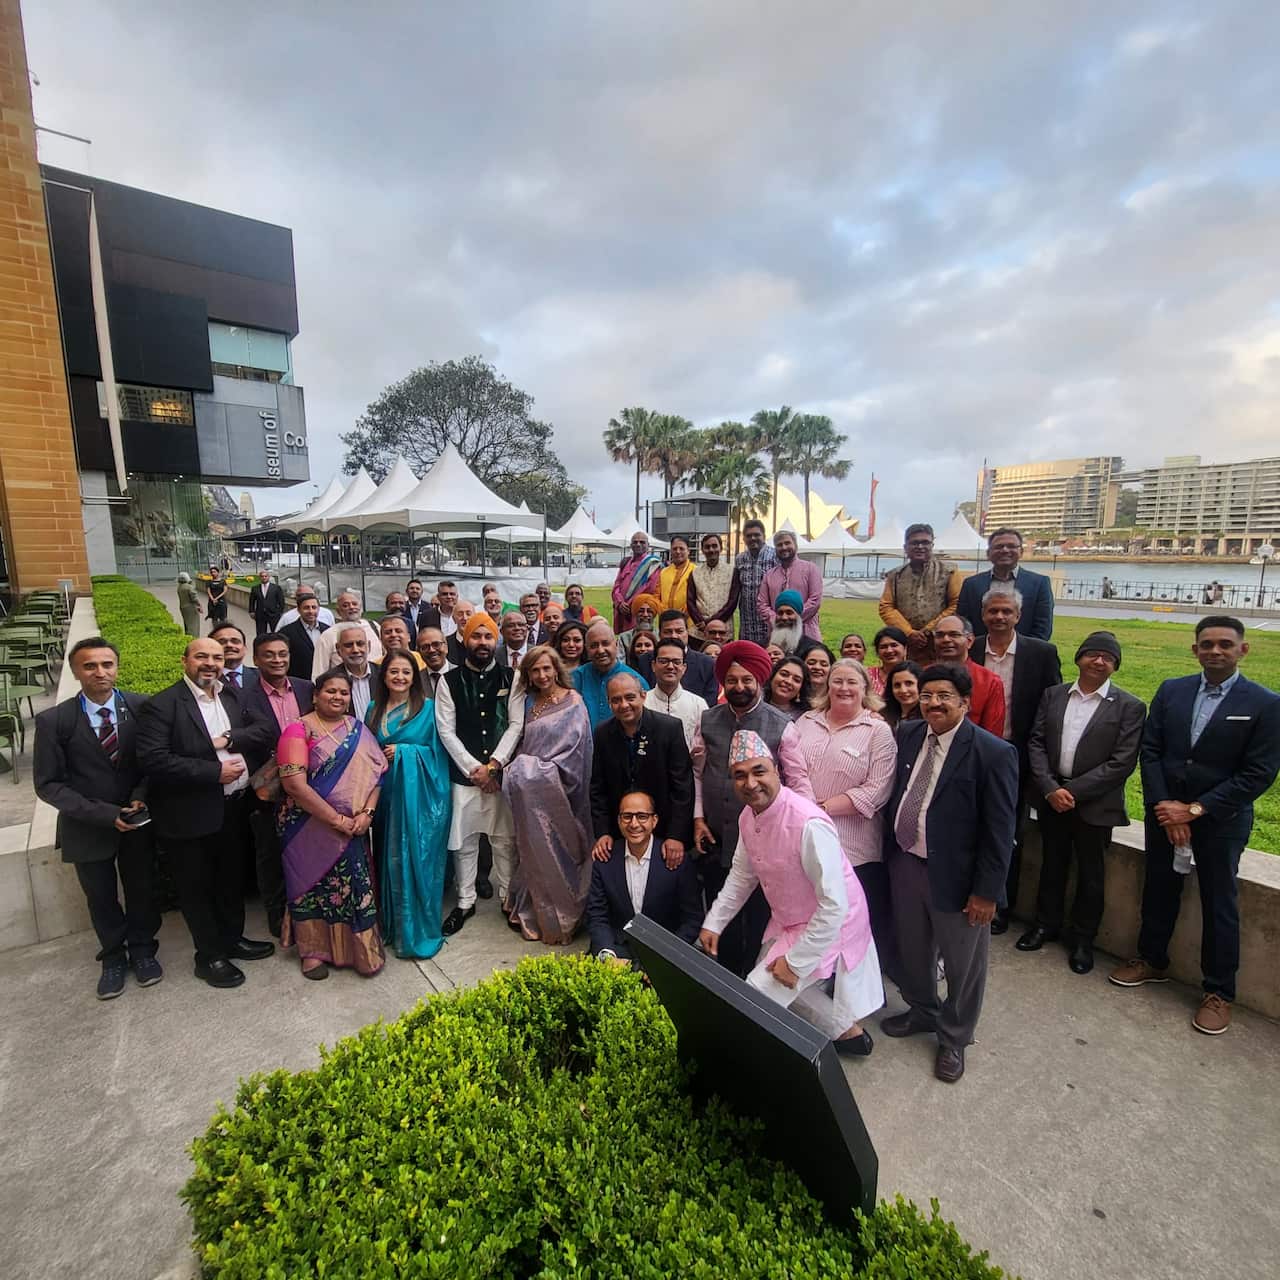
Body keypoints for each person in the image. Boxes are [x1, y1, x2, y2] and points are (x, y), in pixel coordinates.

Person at [1110, 616, 1280, 1035]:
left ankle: (1219, 991)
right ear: (1195, 650)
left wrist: (1196, 810)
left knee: (1219, 903)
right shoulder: (1173, 690)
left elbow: (1258, 773)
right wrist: (1165, 806)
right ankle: (1152, 960)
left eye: (1225, 644)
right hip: (1166, 813)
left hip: (1221, 821)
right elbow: (1151, 751)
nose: (1215, 651)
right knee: (1159, 888)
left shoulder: (1265, 703)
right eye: (1207, 644)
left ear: (1243, 650)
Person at [699, 733, 882, 1057]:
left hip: (834, 923)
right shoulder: (748, 816)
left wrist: (796, 963)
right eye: (740, 775)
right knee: (772, 974)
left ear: (776, 770)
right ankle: (846, 1032)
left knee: (756, 996)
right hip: (791, 919)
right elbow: (742, 875)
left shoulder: (807, 822)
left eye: (759, 771)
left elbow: (834, 906)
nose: (750, 783)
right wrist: (714, 922)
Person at [880, 664, 1019, 1082]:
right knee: (913, 950)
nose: (934, 703)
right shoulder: (908, 734)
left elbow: (1000, 830)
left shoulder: (993, 753)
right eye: (926, 695)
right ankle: (923, 1010)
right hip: (906, 863)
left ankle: (955, 1037)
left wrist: (987, 892)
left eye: (944, 696)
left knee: (963, 964)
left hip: (959, 880)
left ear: (965, 702)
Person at [135, 638, 278, 988]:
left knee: (230, 880)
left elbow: (265, 729)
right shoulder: (162, 705)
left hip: (234, 808)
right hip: (189, 813)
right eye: (202, 656)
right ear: (184, 660)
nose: (210, 663)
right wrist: (213, 772)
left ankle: (232, 939)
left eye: (217, 657)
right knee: (196, 887)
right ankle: (209, 956)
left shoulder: (232, 696)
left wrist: (229, 739)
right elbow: (154, 760)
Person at [34, 637, 159, 1000]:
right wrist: (105, 814)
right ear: (75, 671)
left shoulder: (142, 707)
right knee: (100, 896)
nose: (100, 672)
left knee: (142, 889)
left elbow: (153, 762)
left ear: (117, 668)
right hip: (87, 826)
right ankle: (113, 957)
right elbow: (49, 784)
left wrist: (140, 796)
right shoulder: (55, 721)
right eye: (90, 666)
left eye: (107, 664)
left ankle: (143, 950)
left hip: (137, 822)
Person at [1023, 632, 1145, 974]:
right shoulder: (1054, 694)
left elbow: (1122, 762)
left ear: (1115, 666)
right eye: (1092, 654)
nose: (1099, 661)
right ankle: (1045, 925)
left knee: (1091, 875)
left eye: (1108, 657)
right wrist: (1050, 788)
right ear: (1078, 658)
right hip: (1052, 798)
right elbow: (1036, 742)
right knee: (1052, 864)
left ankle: (1082, 940)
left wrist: (1073, 792)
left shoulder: (1129, 706)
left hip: (1094, 804)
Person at [691, 640, 814, 977]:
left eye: (747, 680)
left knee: (759, 917)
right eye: (732, 680)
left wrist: (804, 832)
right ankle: (726, 978)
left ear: (760, 680)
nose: (739, 687)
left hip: (767, 842)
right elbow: (698, 773)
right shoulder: (708, 719)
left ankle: (751, 981)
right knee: (722, 912)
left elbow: (800, 783)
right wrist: (699, 818)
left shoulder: (782, 725)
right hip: (716, 837)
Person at [275, 669, 386, 978]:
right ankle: (312, 952)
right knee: (310, 888)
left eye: (343, 692)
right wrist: (336, 820)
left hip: (353, 829)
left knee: (352, 887)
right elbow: (294, 785)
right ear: (315, 695)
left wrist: (367, 814)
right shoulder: (297, 730)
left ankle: (360, 952)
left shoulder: (357, 729)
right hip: (306, 828)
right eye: (330, 691)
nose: (337, 697)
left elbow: (378, 773)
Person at [795, 659, 899, 977]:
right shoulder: (806, 721)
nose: (843, 688)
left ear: (865, 688)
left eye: (852, 682)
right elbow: (788, 767)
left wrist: (821, 811)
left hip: (853, 848)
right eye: (837, 681)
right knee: (810, 919)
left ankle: (849, 991)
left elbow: (877, 790)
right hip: (803, 839)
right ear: (827, 686)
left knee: (848, 928)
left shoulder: (878, 731)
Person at [972, 587, 1063, 934]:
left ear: (1018, 616)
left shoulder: (1041, 653)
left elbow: (1052, 707)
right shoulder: (971, 647)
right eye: (993, 611)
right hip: (973, 753)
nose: (999, 617)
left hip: (1017, 756)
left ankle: (1000, 905)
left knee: (1008, 832)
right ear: (983, 615)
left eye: (1006, 611)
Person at [435, 612, 526, 934]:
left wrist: (494, 765)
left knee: (504, 840)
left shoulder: (512, 677)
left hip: (500, 776)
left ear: (495, 640)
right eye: (476, 636)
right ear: (465, 639)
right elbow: (446, 731)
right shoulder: (448, 681)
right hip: (465, 778)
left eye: (488, 637)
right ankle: (465, 901)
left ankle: (507, 899)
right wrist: (474, 769)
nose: (482, 642)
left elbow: (516, 724)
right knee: (465, 841)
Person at [503, 646, 594, 943]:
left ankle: (561, 916)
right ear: (528, 675)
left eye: (546, 668)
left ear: (557, 669)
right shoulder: (531, 704)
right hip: (531, 794)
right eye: (535, 670)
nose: (542, 675)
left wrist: (526, 769)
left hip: (559, 793)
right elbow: (526, 745)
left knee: (558, 852)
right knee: (533, 849)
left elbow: (574, 754)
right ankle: (535, 908)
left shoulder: (573, 702)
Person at [364, 651, 451, 959]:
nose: (399, 677)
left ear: (415, 677)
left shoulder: (428, 709)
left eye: (406, 672)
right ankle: (392, 925)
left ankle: (415, 930)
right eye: (394, 672)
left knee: (416, 859)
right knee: (388, 858)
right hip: (385, 798)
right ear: (384, 676)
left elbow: (438, 755)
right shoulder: (373, 709)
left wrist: (404, 752)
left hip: (418, 801)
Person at [243, 632, 314, 938]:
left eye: (282, 653)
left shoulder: (306, 688)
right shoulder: (244, 696)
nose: (277, 660)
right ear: (256, 659)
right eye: (269, 654)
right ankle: (277, 917)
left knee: (306, 850)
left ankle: (308, 913)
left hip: (309, 785)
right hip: (268, 789)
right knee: (270, 854)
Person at [590, 673, 693, 874]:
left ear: (643, 696)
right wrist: (602, 832)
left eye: (630, 697)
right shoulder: (602, 733)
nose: (624, 705)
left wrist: (676, 835)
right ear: (609, 703)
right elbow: (598, 789)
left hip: (664, 832)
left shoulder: (669, 728)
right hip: (620, 832)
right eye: (616, 700)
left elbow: (683, 787)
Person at [588, 789, 704, 965]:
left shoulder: (677, 860)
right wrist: (608, 955)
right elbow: (597, 915)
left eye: (642, 816)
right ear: (619, 820)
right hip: (617, 951)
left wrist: (667, 957)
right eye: (627, 816)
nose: (634, 824)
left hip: (665, 952)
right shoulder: (605, 860)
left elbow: (692, 919)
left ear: (654, 820)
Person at [877, 524, 963, 660]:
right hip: (907, 643)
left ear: (932, 545)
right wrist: (909, 633)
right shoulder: (895, 575)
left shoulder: (949, 571)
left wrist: (929, 630)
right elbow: (886, 606)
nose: (920, 547)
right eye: (914, 543)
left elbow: (956, 603)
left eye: (925, 542)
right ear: (905, 547)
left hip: (940, 641)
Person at [956, 528, 1054, 641]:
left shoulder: (1040, 584)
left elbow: (1043, 628)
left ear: (1021, 552)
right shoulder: (971, 584)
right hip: (979, 650)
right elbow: (963, 624)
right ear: (988, 553)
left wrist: (1024, 649)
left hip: (1025, 650)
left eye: (1011, 546)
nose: (1005, 550)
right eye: (999, 546)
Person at [932, 615, 1006, 737]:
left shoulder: (990, 681)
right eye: (940, 635)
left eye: (954, 635)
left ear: (970, 641)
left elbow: (992, 735)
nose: (946, 639)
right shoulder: (922, 675)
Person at [573, 619, 646, 731]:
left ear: (616, 644)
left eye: (605, 643)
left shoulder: (635, 680)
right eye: (594, 646)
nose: (600, 650)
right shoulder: (576, 678)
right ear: (586, 649)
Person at [633, 611, 719, 705]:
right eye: (668, 632)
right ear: (659, 634)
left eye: (679, 631)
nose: (674, 636)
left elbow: (710, 704)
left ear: (687, 633)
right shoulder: (645, 661)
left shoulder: (706, 664)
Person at [758, 530, 823, 642]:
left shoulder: (811, 569)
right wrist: (777, 619)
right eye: (779, 545)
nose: (784, 547)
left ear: (795, 545)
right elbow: (762, 604)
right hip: (777, 633)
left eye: (787, 543)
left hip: (806, 633)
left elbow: (815, 600)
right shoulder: (769, 575)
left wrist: (792, 618)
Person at [644, 637, 709, 748]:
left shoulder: (698, 704)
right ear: (653, 666)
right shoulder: (642, 702)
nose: (670, 667)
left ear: (684, 668)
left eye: (676, 662)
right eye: (663, 661)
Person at [310, 592, 384, 678]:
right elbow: (319, 672)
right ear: (338, 611)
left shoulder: (374, 627)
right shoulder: (328, 636)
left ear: (360, 606)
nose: (351, 607)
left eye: (354, 604)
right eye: (345, 605)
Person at [686, 533, 739, 644]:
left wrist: (711, 622)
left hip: (723, 630)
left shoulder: (732, 571)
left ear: (721, 548)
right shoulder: (695, 573)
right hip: (699, 631)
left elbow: (732, 602)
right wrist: (699, 622)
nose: (711, 550)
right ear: (702, 550)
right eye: (707, 547)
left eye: (714, 546)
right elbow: (690, 601)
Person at [734, 518, 777, 645]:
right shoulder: (740, 559)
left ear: (764, 536)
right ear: (744, 539)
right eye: (749, 536)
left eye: (756, 535)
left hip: (768, 622)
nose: (753, 538)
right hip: (747, 623)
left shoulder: (775, 556)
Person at [611, 531, 663, 631]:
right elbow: (617, 585)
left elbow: (649, 588)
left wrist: (629, 604)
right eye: (635, 542)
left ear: (648, 545)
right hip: (621, 609)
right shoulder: (626, 562)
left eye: (642, 542)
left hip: (640, 610)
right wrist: (620, 602)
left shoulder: (653, 564)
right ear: (631, 545)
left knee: (639, 636)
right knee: (623, 637)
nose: (638, 544)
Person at [332, 623, 378, 719]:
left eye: (360, 644)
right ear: (338, 649)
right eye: (348, 645)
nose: (355, 650)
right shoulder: (329, 681)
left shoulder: (383, 675)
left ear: (368, 646)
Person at [280, 594, 330, 682]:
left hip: (324, 680)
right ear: (299, 610)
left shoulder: (328, 630)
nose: (311, 611)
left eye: (314, 607)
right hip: (299, 681)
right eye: (306, 608)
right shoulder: (286, 632)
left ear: (318, 609)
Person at [210, 621, 257, 694]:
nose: (229, 645)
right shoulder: (205, 679)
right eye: (222, 642)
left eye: (235, 641)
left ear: (245, 648)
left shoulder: (262, 677)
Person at [765, 655, 812, 722]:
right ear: (773, 676)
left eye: (796, 680)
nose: (789, 681)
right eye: (784, 674)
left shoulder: (804, 717)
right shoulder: (754, 703)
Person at [882, 661, 924, 730]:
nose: (903, 690)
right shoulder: (882, 716)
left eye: (909, 683)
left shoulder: (928, 717)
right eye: (897, 685)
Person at [659, 536, 695, 616]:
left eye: (681, 549)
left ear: (688, 551)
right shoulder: (663, 572)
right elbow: (657, 596)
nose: (678, 552)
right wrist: (663, 611)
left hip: (688, 618)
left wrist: (684, 612)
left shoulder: (695, 571)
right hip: (666, 617)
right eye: (674, 549)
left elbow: (698, 597)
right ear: (671, 551)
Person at [868, 626, 909, 697]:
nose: (889, 650)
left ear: (905, 648)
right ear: (877, 652)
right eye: (883, 647)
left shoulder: (914, 675)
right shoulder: (867, 675)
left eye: (894, 645)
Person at [416, 626, 454, 698]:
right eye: (425, 647)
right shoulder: (415, 680)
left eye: (436, 644)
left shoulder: (463, 675)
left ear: (446, 646)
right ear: (419, 652)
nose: (431, 650)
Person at [248, 569, 285, 637]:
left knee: (275, 632)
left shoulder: (276, 588)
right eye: (262, 576)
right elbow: (252, 600)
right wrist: (251, 611)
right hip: (260, 614)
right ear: (260, 577)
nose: (264, 578)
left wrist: (279, 612)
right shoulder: (255, 588)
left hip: (273, 614)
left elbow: (281, 601)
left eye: (265, 576)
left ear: (268, 577)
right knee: (260, 633)